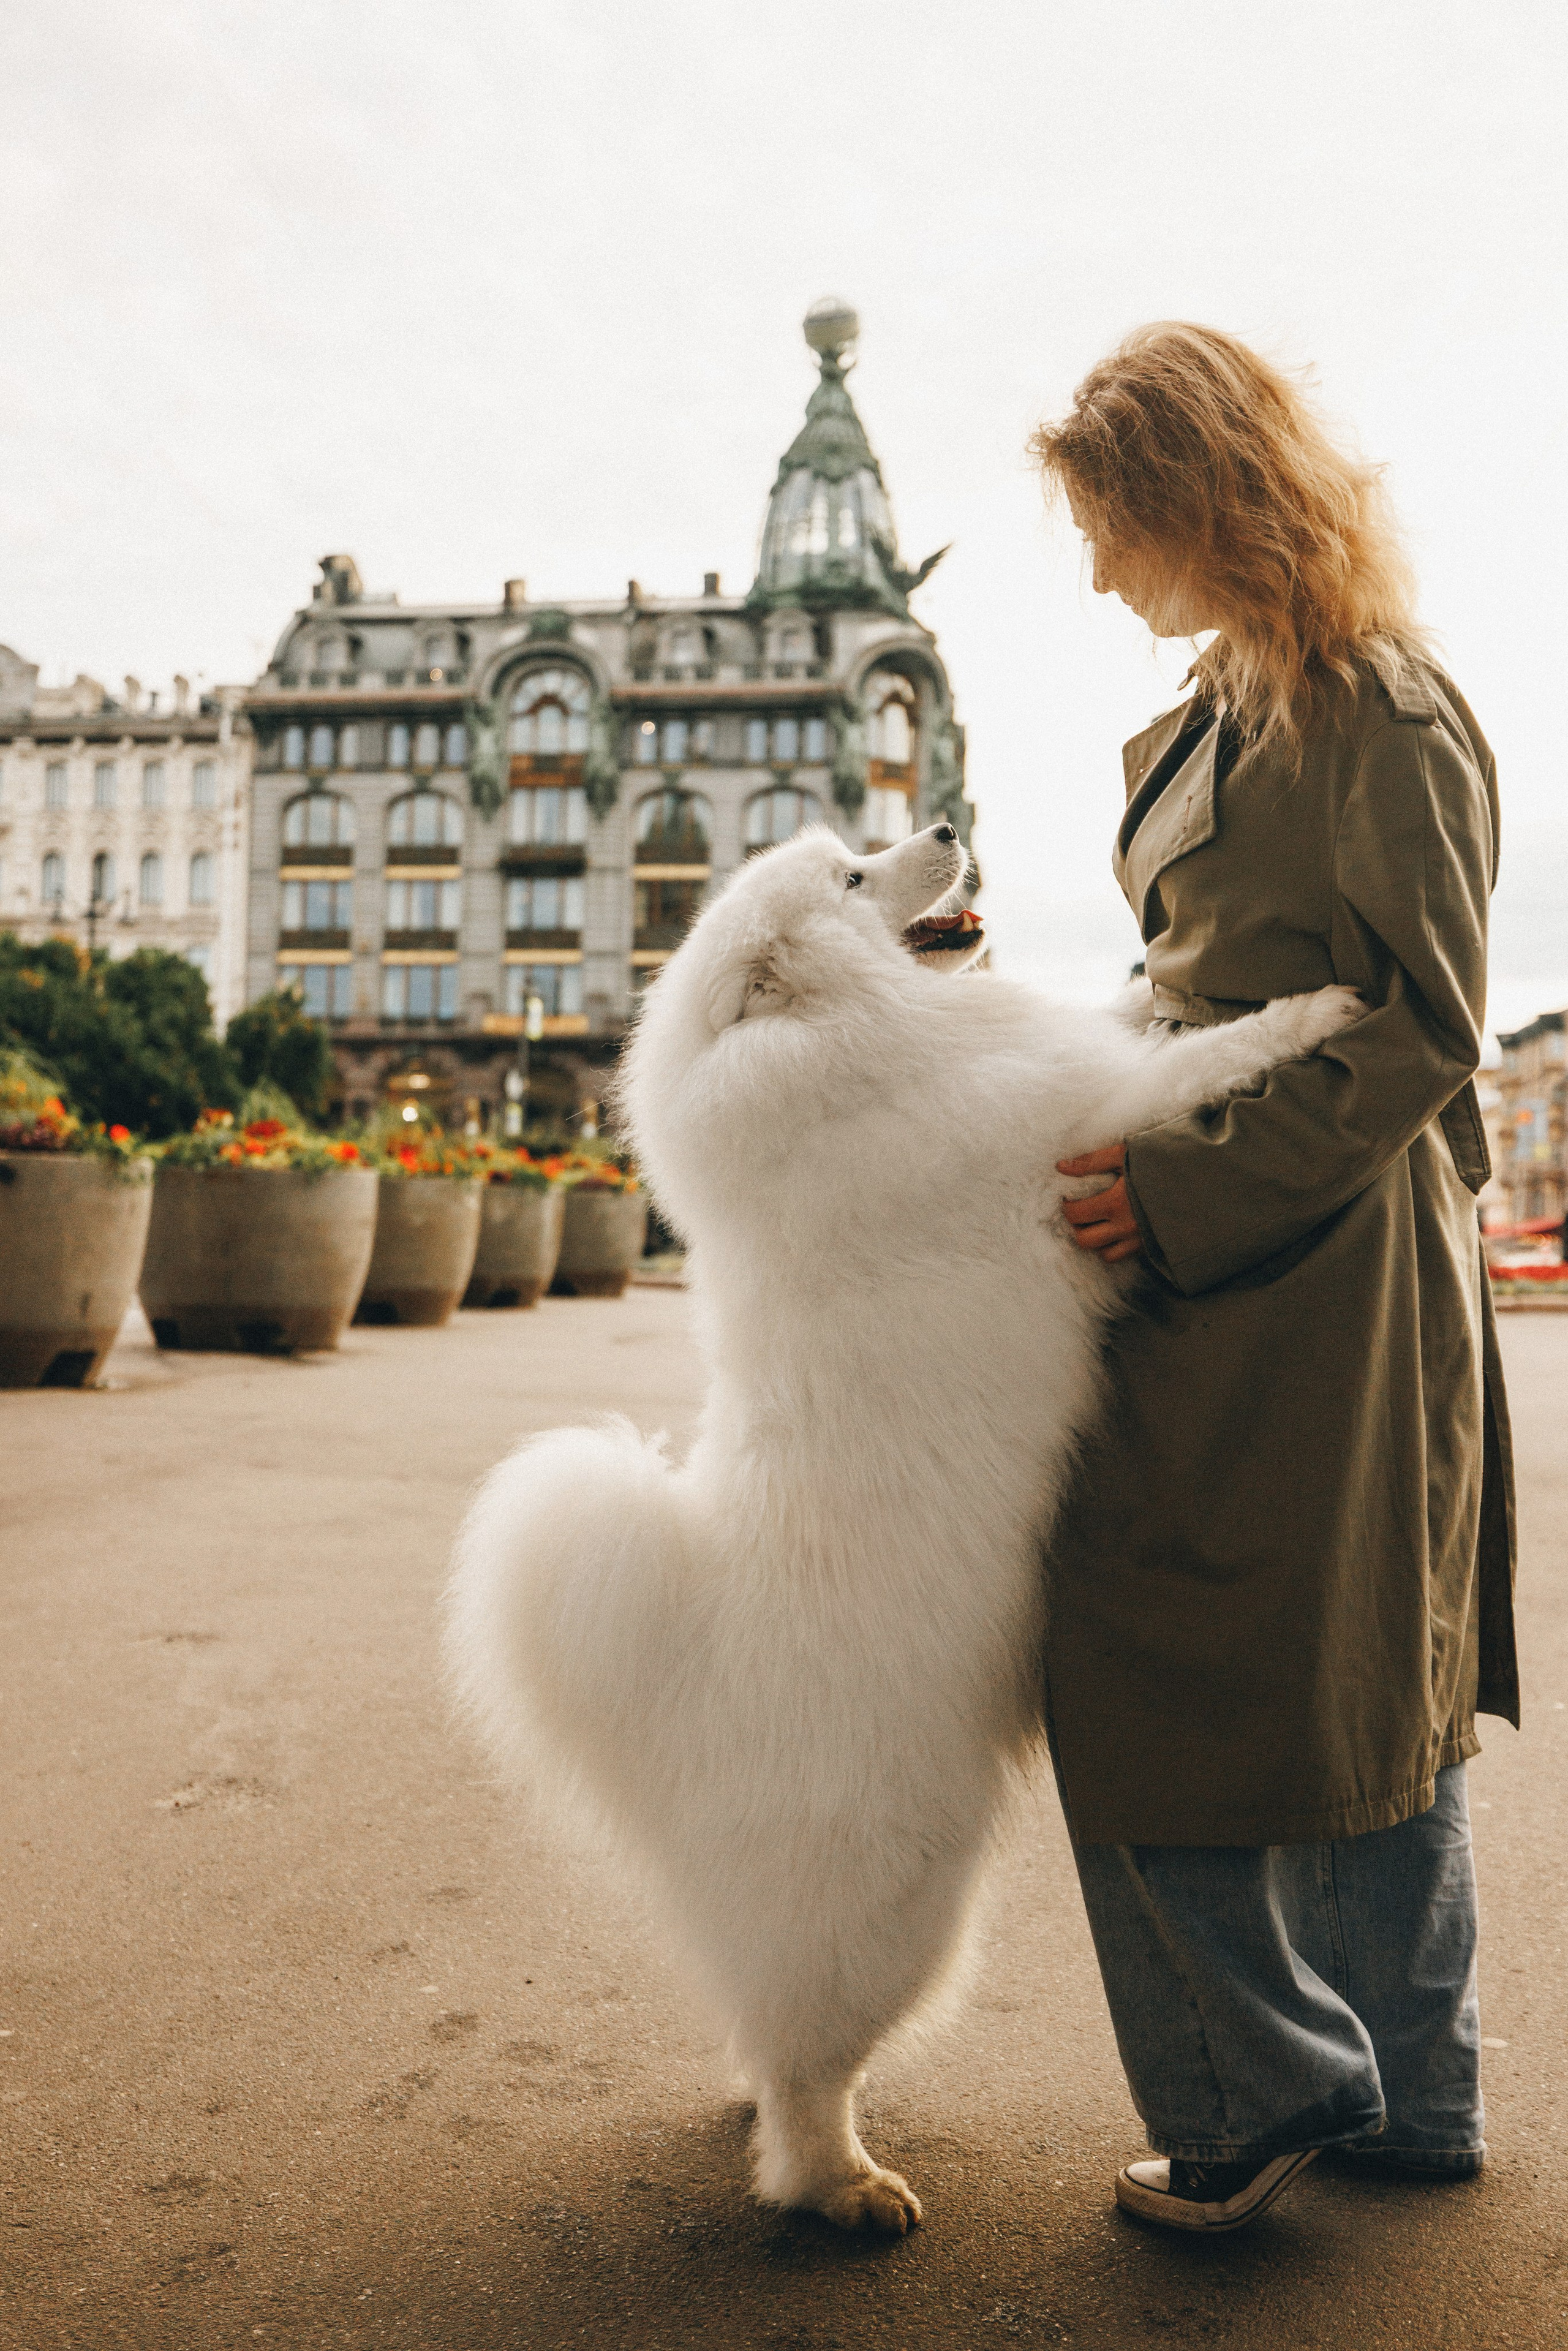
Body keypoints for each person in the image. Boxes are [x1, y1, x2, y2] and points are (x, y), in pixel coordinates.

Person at [1030, 323, 1518, 2235]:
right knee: (1346, 1675)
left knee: (1169, 1652)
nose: (1091, 568)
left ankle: (1263, 2095)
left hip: (1322, 1262)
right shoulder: (1223, 708)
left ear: (1190, 496)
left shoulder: (1380, 705)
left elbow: (1426, 1028)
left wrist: (1180, 1189)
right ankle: (1406, 2102)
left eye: (1104, 522)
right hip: (1266, 1245)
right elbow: (1200, 979)